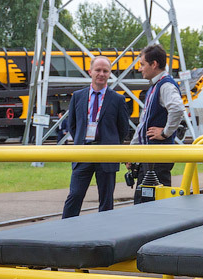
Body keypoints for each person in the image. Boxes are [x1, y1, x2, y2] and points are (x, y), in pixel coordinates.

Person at [60, 56, 131, 218]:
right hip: (83, 153)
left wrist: (110, 143)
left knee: (106, 200)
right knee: (75, 195)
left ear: (110, 74)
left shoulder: (118, 99)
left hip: (106, 154)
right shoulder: (78, 96)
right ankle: (64, 230)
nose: (101, 74)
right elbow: (72, 125)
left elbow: (123, 129)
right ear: (90, 71)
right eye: (98, 70)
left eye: (105, 71)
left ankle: (104, 234)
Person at [132, 43, 184, 200]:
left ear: (154, 64)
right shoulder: (156, 86)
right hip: (151, 157)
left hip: (157, 158)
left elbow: (177, 108)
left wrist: (165, 132)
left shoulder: (165, 85)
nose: (139, 69)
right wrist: (133, 151)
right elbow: (143, 125)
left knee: (151, 202)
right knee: (146, 201)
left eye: (142, 64)